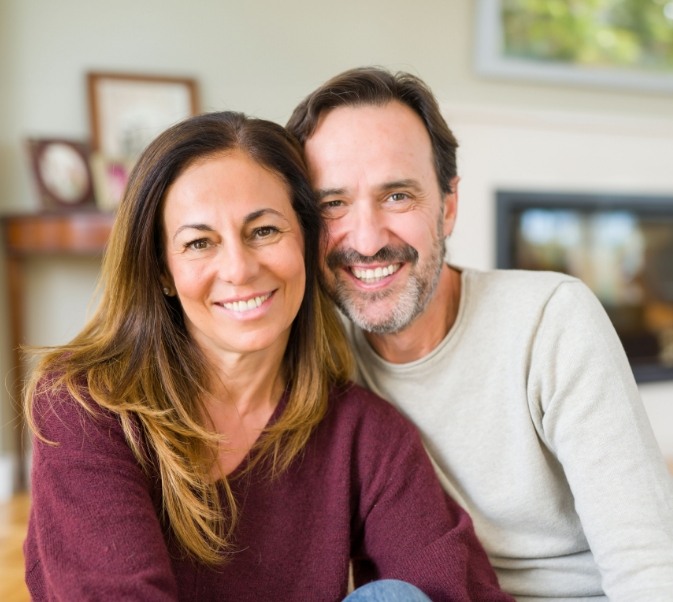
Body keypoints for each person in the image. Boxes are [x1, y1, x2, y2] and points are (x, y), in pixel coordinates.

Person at [23, 111, 513, 602]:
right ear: (163, 272)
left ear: (307, 240)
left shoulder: (362, 433)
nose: (238, 268)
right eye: (199, 242)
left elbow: (456, 589)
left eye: (264, 232)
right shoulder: (87, 408)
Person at [287, 67, 673, 600]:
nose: (368, 239)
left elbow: (647, 566)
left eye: (397, 196)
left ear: (447, 207)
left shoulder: (550, 320)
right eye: (333, 204)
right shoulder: (320, 358)